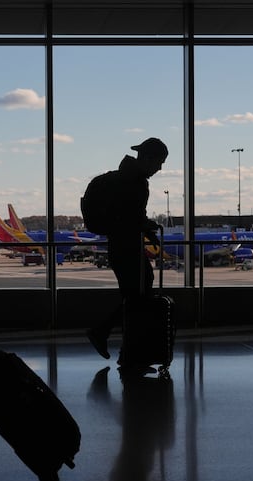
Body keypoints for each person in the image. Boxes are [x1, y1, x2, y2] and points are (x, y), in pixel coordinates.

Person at [86, 137, 168, 361]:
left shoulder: (123, 178)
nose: (160, 168)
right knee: (138, 297)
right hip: (127, 248)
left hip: (120, 246)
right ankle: (119, 345)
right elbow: (132, 217)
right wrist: (149, 227)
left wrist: (146, 229)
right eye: (159, 162)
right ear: (148, 159)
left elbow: (128, 216)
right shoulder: (135, 183)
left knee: (135, 297)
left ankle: (123, 348)